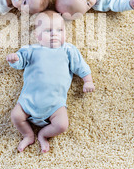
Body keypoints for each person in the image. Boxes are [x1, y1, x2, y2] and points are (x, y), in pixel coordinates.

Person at [6, 10, 95, 153]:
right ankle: (28, 135)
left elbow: (81, 66)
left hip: (55, 104)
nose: (55, 34)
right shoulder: (31, 50)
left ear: (65, 33)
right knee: (16, 116)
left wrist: (88, 81)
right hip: (28, 101)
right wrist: (15, 59)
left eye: (60, 30)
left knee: (62, 125)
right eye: (48, 31)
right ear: (37, 36)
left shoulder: (68, 50)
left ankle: (43, 134)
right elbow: (20, 62)